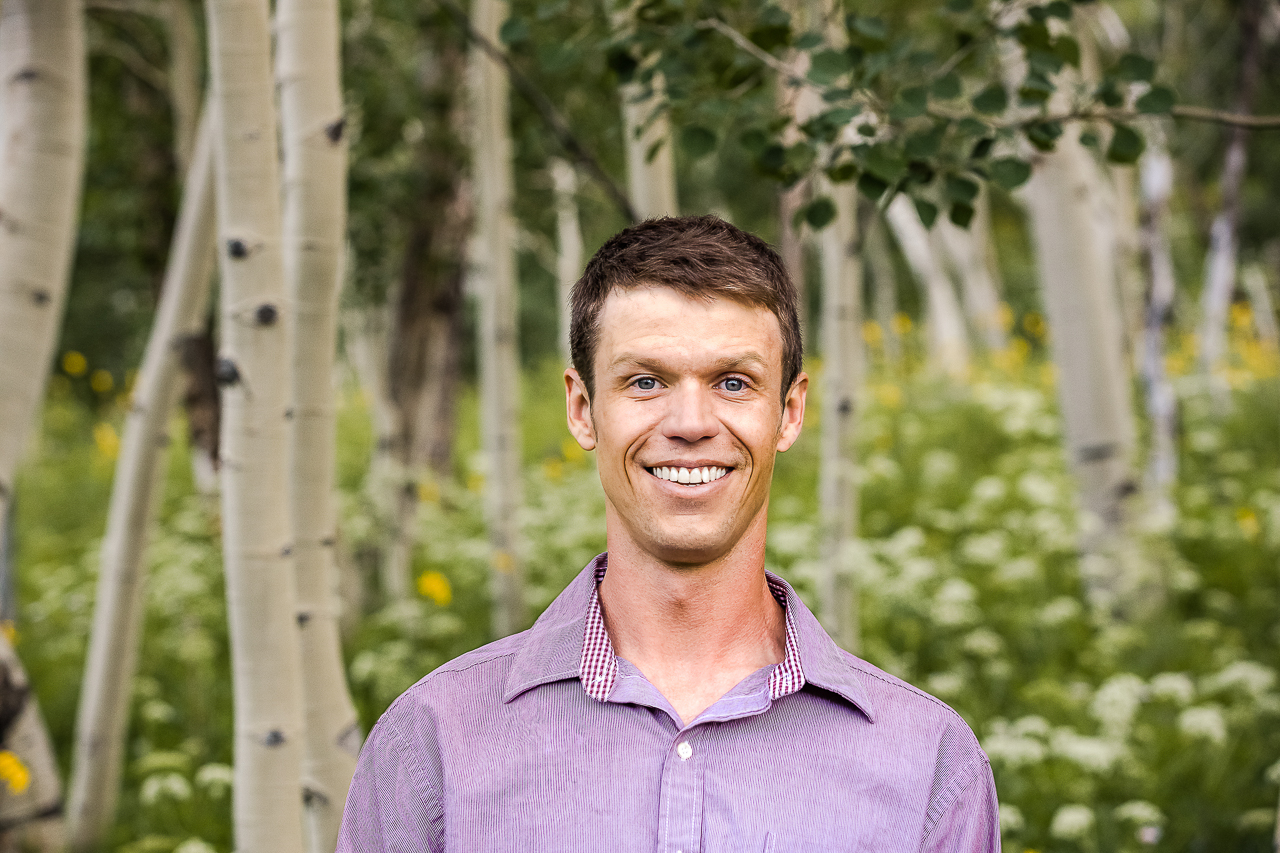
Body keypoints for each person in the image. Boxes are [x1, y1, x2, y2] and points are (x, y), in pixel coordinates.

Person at [337, 215, 1000, 852]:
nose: (689, 422)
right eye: (646, 380)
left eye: (733, 382)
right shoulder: (437, 742)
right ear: (582, 407)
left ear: (790, 412)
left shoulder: (926, 762)